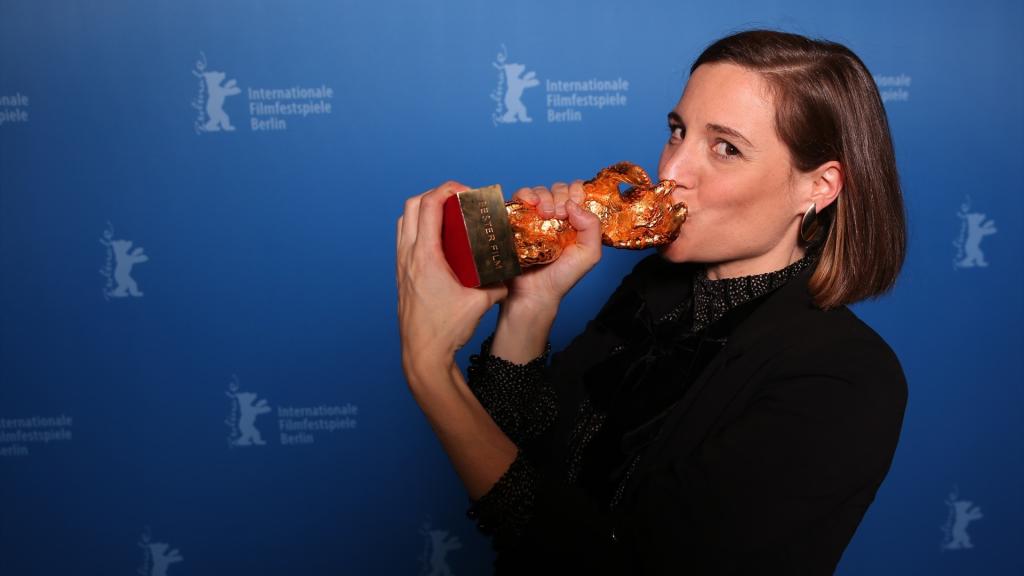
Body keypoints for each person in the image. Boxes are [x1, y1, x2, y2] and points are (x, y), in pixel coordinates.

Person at [396, 29, 908, 575]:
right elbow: (517, 459)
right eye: (677, 132)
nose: (670, 172)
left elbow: (613, 563)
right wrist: (532, 302)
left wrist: (430, 372)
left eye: (726, 147)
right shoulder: (653, 289)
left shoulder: (845, 378)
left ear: (820, 187)